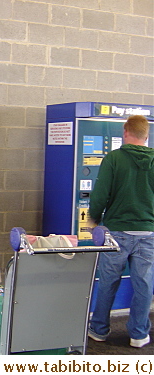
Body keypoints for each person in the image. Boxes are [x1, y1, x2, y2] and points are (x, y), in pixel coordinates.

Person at [87, 115, 154, 349]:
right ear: (147, 135)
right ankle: (138, 334)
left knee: (108, 281)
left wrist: (93, 219)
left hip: (116, 232)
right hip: (148, 233)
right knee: (144, 284)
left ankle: (99, 330)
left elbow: (100, 194)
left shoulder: (114, 158)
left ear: (126, 132)